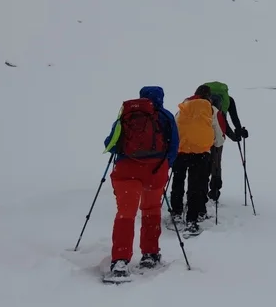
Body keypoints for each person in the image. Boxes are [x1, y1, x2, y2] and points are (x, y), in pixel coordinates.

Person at [102, 86, 179, 279]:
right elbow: (174, 145)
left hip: (126, 171)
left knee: (125, 214)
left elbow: (110, 143)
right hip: (155, 171)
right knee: (151, 210)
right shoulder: (166, 116)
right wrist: (164, 165)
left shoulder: (126, 114)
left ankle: (120, 260)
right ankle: (150, 254)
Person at [169, 85, 219, 235]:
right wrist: (215, 144)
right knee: (195, 186)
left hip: (181, 150)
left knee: (178, 180)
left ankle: (176, 213)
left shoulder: (184, 106)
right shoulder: (211, 109)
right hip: (200, 153)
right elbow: (218, 136)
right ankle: (192, 219)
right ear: (208, 96)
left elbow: (175, 126)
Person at [203, 81, 248, 204]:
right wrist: (237, 134)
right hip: (219, 135)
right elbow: (231, 119)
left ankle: (200, 191)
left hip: (200, 136)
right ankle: (214, 191)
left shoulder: (202, 101)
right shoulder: (228, 100)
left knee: (202, 163)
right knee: (216, 163)